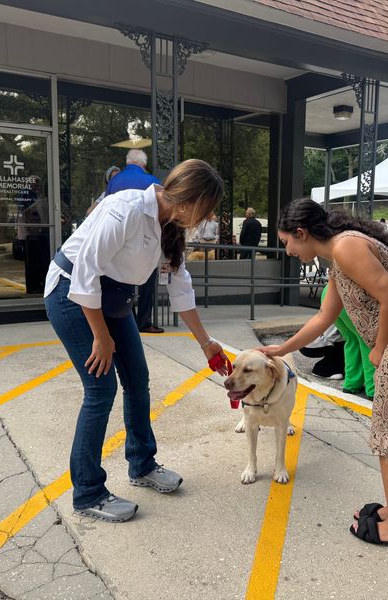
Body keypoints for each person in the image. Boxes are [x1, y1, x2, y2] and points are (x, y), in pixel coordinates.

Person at [259, 199, 388, 554]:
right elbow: (324, 318)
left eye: (287, 243)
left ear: (301, 233)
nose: (289, 251)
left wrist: (379, 348)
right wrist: (281, 349)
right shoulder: (340, 255)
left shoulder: (346, 247)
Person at [44, 159, 230, 523]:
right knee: (100, 390)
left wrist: (206, 343)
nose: (205, 219)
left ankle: (142, 465)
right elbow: (85, 272)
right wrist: (100, 337)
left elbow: (180, 288)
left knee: (138, 380)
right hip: (71, 293)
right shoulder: (125, 208)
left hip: (110, 297)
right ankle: (88, 492)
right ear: (189, 201)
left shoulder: (170, 224)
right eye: (205, 211)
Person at [107, 149, 163, 333]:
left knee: (122, 281)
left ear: (127, 162)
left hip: (118, 239)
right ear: (143, 164)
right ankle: (144, 321)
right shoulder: (152, 182)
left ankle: (126, 317)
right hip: (146, 240)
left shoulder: (115, 180)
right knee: (147, 281)